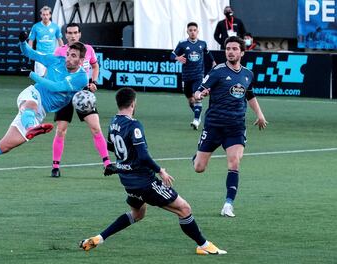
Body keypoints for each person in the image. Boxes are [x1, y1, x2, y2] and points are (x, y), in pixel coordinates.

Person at [79, 87, 227, 255]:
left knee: (137, 214)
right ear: (133, 103)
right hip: (145, 182)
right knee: (184, 209)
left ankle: (99, 238)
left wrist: (120, 165)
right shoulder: (134, 125)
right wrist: (160, 170)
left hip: (128, 181)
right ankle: (204, 245)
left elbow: (111, 147)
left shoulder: (113, 122)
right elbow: (143, 156)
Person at [0, 35, 88, 182]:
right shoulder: (56, 60)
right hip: (33, 94)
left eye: (73, 56)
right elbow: (30, 53)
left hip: (40, 111)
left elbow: (57, 87)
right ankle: (32, 127)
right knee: (30, 105)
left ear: (81, 61)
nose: (68, 58)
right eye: (68, 54)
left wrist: (31, 74)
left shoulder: (81, 78)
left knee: (3, 146)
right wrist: (22, 42)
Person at [193, 36, 268, 217]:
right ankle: (196, 156)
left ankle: (228, 204)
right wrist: (198, 95)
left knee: (234, 161)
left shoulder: (248, 74)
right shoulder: (217, 71)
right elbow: (199, 89)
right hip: (214, 126)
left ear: (242, 52)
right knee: (199, 168)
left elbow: (249, 94)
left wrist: (260, 114)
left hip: (235, 127)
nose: (231, 52)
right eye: (228, 49)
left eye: (234, 49)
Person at [50, 22, 116, 178]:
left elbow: (95, 66)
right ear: (65, 35)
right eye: (70, 33)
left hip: (83, 94)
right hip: (65, 94)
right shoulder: (60, 51)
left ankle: (107, 164)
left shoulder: (89, 50)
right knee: (61, 130)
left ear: (79, 34)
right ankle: (55, 166)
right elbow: (53, 71)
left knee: (96, 128)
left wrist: (93, 82)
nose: (72, 35)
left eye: (75, 33)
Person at [171, 22, 216, 130]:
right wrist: (177, 58)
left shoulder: (202, 43)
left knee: (197, 97)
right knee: (190, 100)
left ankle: (196, 120)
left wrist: (213, 61)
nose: (192, 32)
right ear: (187, 31)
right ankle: (198, 115)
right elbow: (172, 55)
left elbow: (208, 52)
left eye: (194, 30)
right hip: (187, 76)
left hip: (198, 76)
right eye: (190, 30)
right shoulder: (182, 44)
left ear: (197, 31)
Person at [28, 6, 64, 76]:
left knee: (51, 77)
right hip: (40, 55)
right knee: (40, 77)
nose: (45, 16)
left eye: (47, 14)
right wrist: (30, 52)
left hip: (52, 55)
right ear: (41, 15)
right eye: (43, 14)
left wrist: (63, 52)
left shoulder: (55, 26)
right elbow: (31, 40)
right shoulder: (36, 26)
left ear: (50, 15)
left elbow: (60, 40)